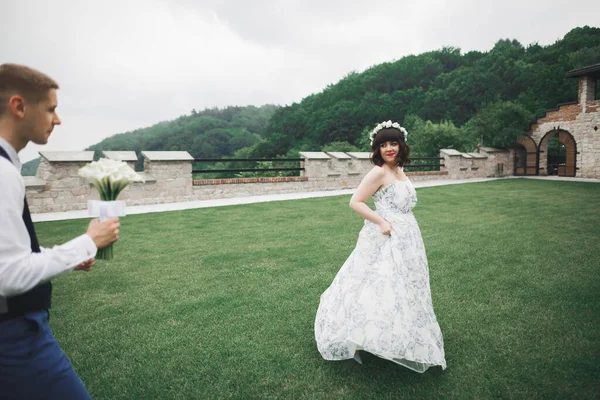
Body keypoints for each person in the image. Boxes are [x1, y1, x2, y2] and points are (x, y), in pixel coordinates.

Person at [0, 63, 120, 399]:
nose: (58, 119)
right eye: (51, 108)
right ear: (19, 107)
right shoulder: (3, 172)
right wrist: (87, 243)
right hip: (15, 335)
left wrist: (66, 257)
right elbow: (8, 275)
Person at [314, 120, 446, 372]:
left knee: (404, 285)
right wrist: (381, 222)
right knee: (376, 283)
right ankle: (354, 334)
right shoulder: (378, 172)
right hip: (384, 235)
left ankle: (398, 334)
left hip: (407, 236)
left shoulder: (400, 171)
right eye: (383, 144)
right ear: (377, 149)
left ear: (401, 146)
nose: (389, 148)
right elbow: (356, 202)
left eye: (393, 143)